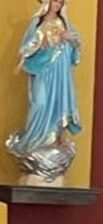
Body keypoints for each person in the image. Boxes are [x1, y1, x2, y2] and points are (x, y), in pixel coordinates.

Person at [6, 0, 82, 185]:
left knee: (59, 104)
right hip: (42, 70)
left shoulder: (65, 23)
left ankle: (55, 141)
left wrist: (70, 40)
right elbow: (26, 48)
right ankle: (34, 141)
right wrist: (46, 42)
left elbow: (76, 46)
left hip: (60, 71)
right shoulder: (37, 23)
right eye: (54, 1)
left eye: (60, 2)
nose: (57, 5)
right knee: (39, 103)